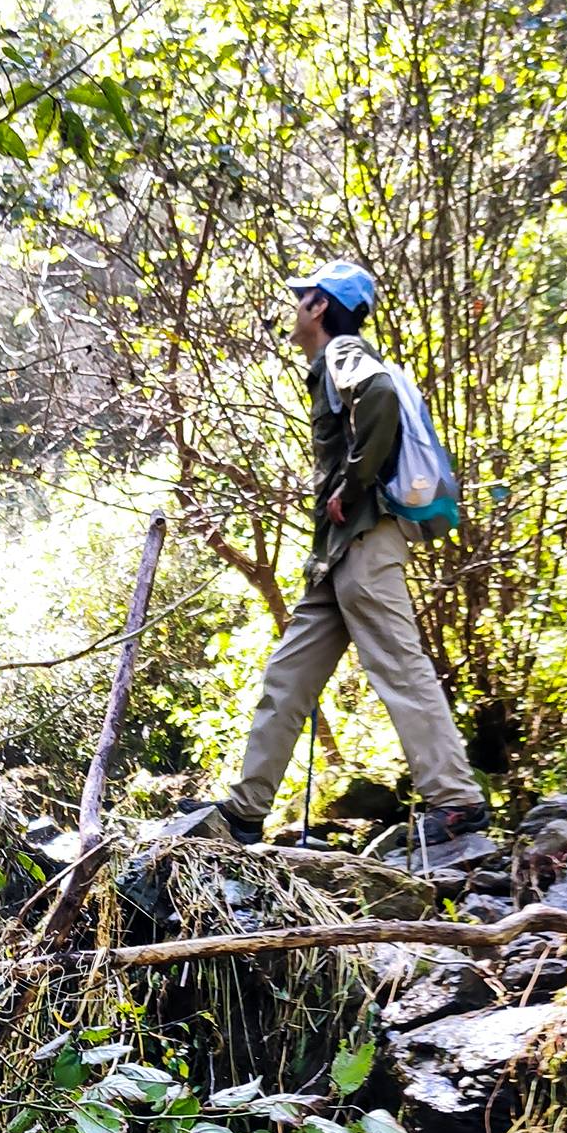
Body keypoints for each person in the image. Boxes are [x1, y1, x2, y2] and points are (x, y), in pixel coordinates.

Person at [203, 259, 487, 848]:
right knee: (287, 676)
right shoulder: (330, 364)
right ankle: (245, 810)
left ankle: (457, 802)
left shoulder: (345, 354)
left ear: (319, 307)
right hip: (336, 559)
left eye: (301, 297)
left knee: (400, 669)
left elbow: (379, 393)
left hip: (364, 544)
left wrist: (351, 486)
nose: (294, 307)